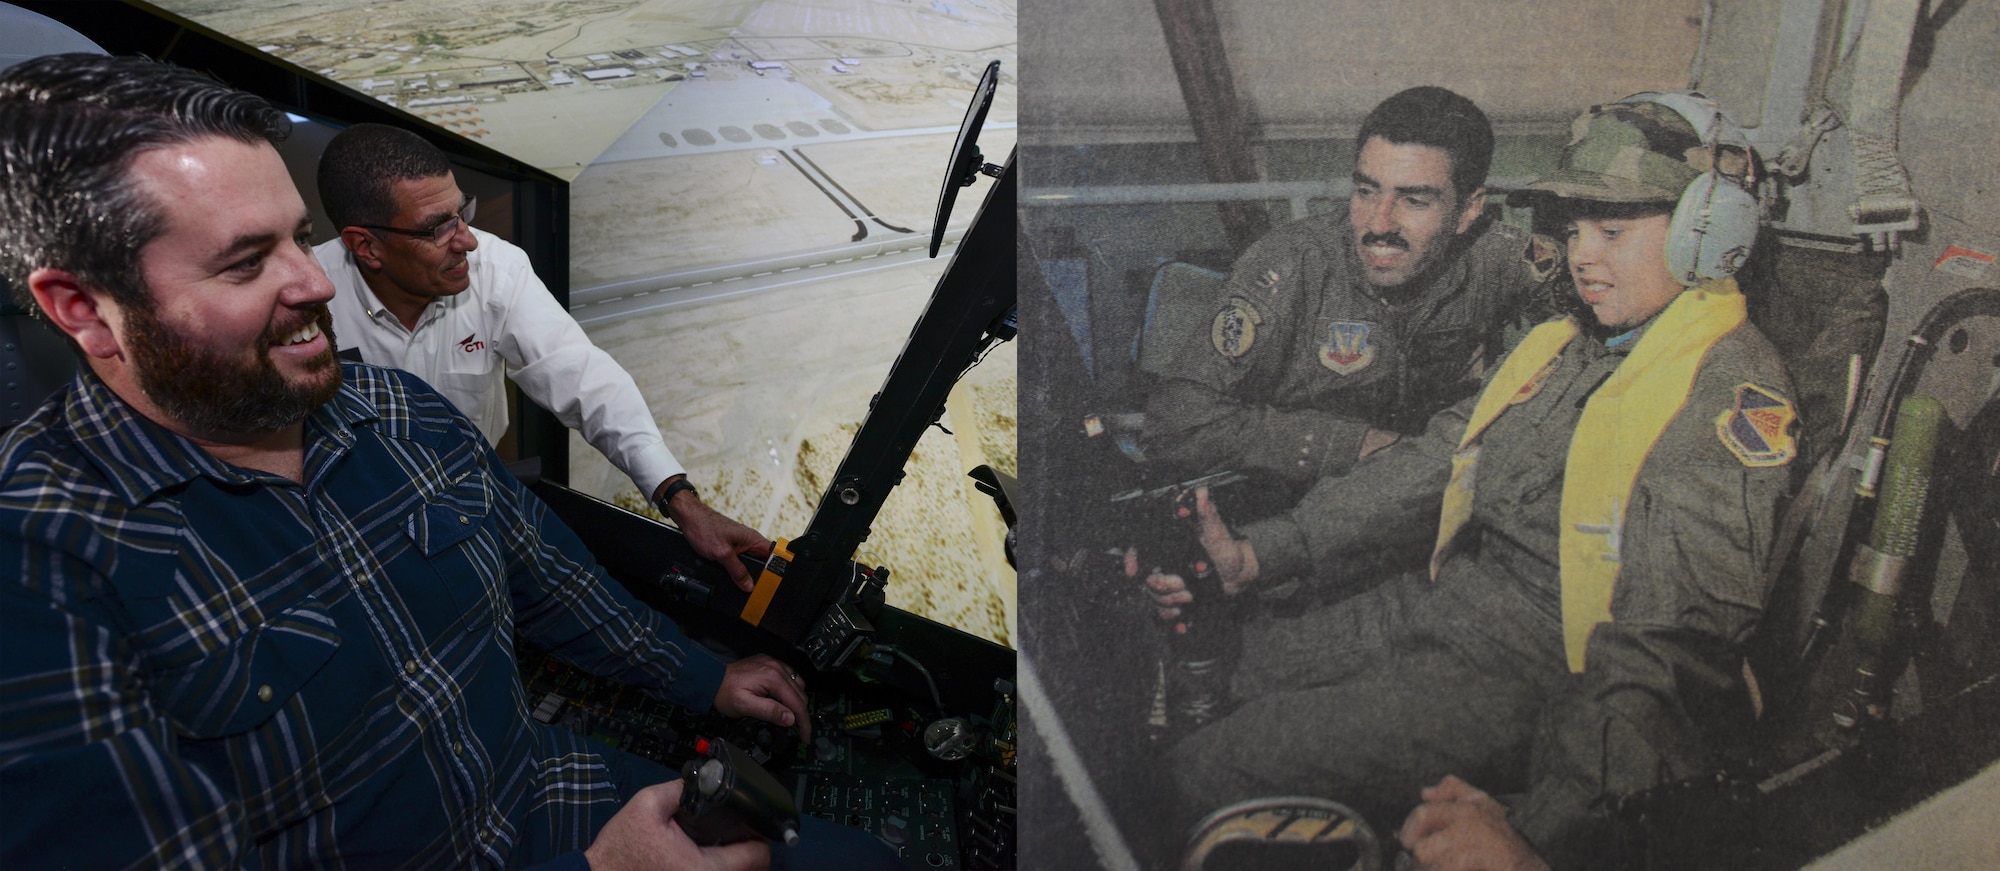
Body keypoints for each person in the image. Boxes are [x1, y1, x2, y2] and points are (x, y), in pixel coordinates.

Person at [0, 53, 895, 871]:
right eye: (244, 264)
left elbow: (552, 569)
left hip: (537, 784)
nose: (308, 285)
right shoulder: (42, 568)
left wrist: (708, 673)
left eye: (291, 236)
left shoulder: (402, 415)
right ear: (81, 308)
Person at [1148, 93, 1797, 869]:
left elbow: (1671, 653)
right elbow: (1441, 459)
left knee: (1211, 768)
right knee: (1222, 673)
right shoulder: (1574, 342)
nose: (1583, 256)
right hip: (1441, 598)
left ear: (1706, 237)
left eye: (1613, 231)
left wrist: (1543, 832)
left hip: (1532, 670)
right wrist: (1261, 555)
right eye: (1576, 228)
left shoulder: (1724, 393)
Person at [312, 123, 769, 591]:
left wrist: (682, 502)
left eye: (461, 213)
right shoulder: (306, 301)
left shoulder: (496, 270)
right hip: (357, 525)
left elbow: (585, 380)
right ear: (366, 246)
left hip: (471, 501)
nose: (467, 240)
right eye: (437, 228)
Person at [1141, 85, 1545, 492]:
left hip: (1431, 501)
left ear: (1468, 211)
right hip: (1301, 497)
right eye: (1366, 192)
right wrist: (1360, 445)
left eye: (1414, 201)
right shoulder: (1291, 262)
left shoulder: (1498, 255)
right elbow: (1175, 420)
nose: (1379, 224)